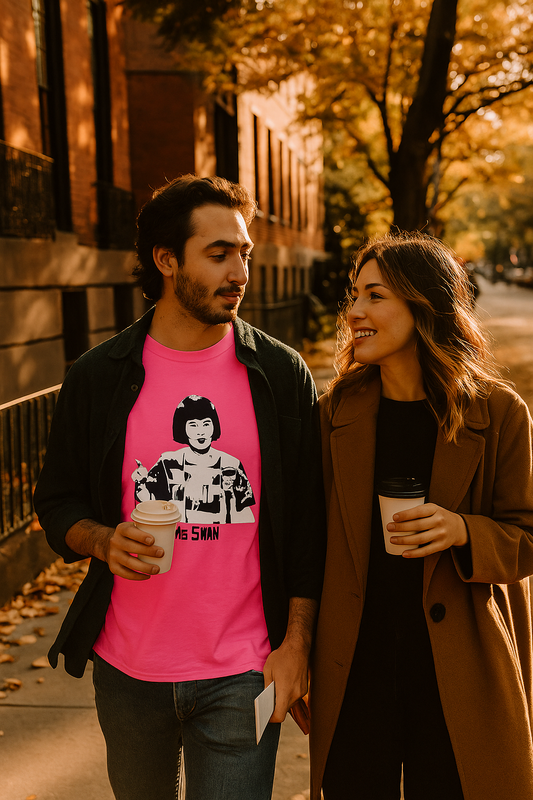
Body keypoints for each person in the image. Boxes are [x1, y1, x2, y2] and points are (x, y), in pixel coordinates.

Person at [34, 174, 325, 800]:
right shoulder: (99, 375)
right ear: (167, 261)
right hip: (128, 668)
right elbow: (56, 501)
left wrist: (297, 644)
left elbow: (309, 523)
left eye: (244, 253)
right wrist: (102, 541)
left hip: (245, 669)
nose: (239, 273)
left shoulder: (281, 374)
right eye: (218, 255)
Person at [309, 231, 533, 800]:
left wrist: (463, 531)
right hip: (357, 665)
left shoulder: (499, 413)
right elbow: (306, 542)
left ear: (423, 306)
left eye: (375, 295)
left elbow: (527, 536)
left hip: (459, 666)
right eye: (355, 294)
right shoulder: (334, 414)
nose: (354, 311)